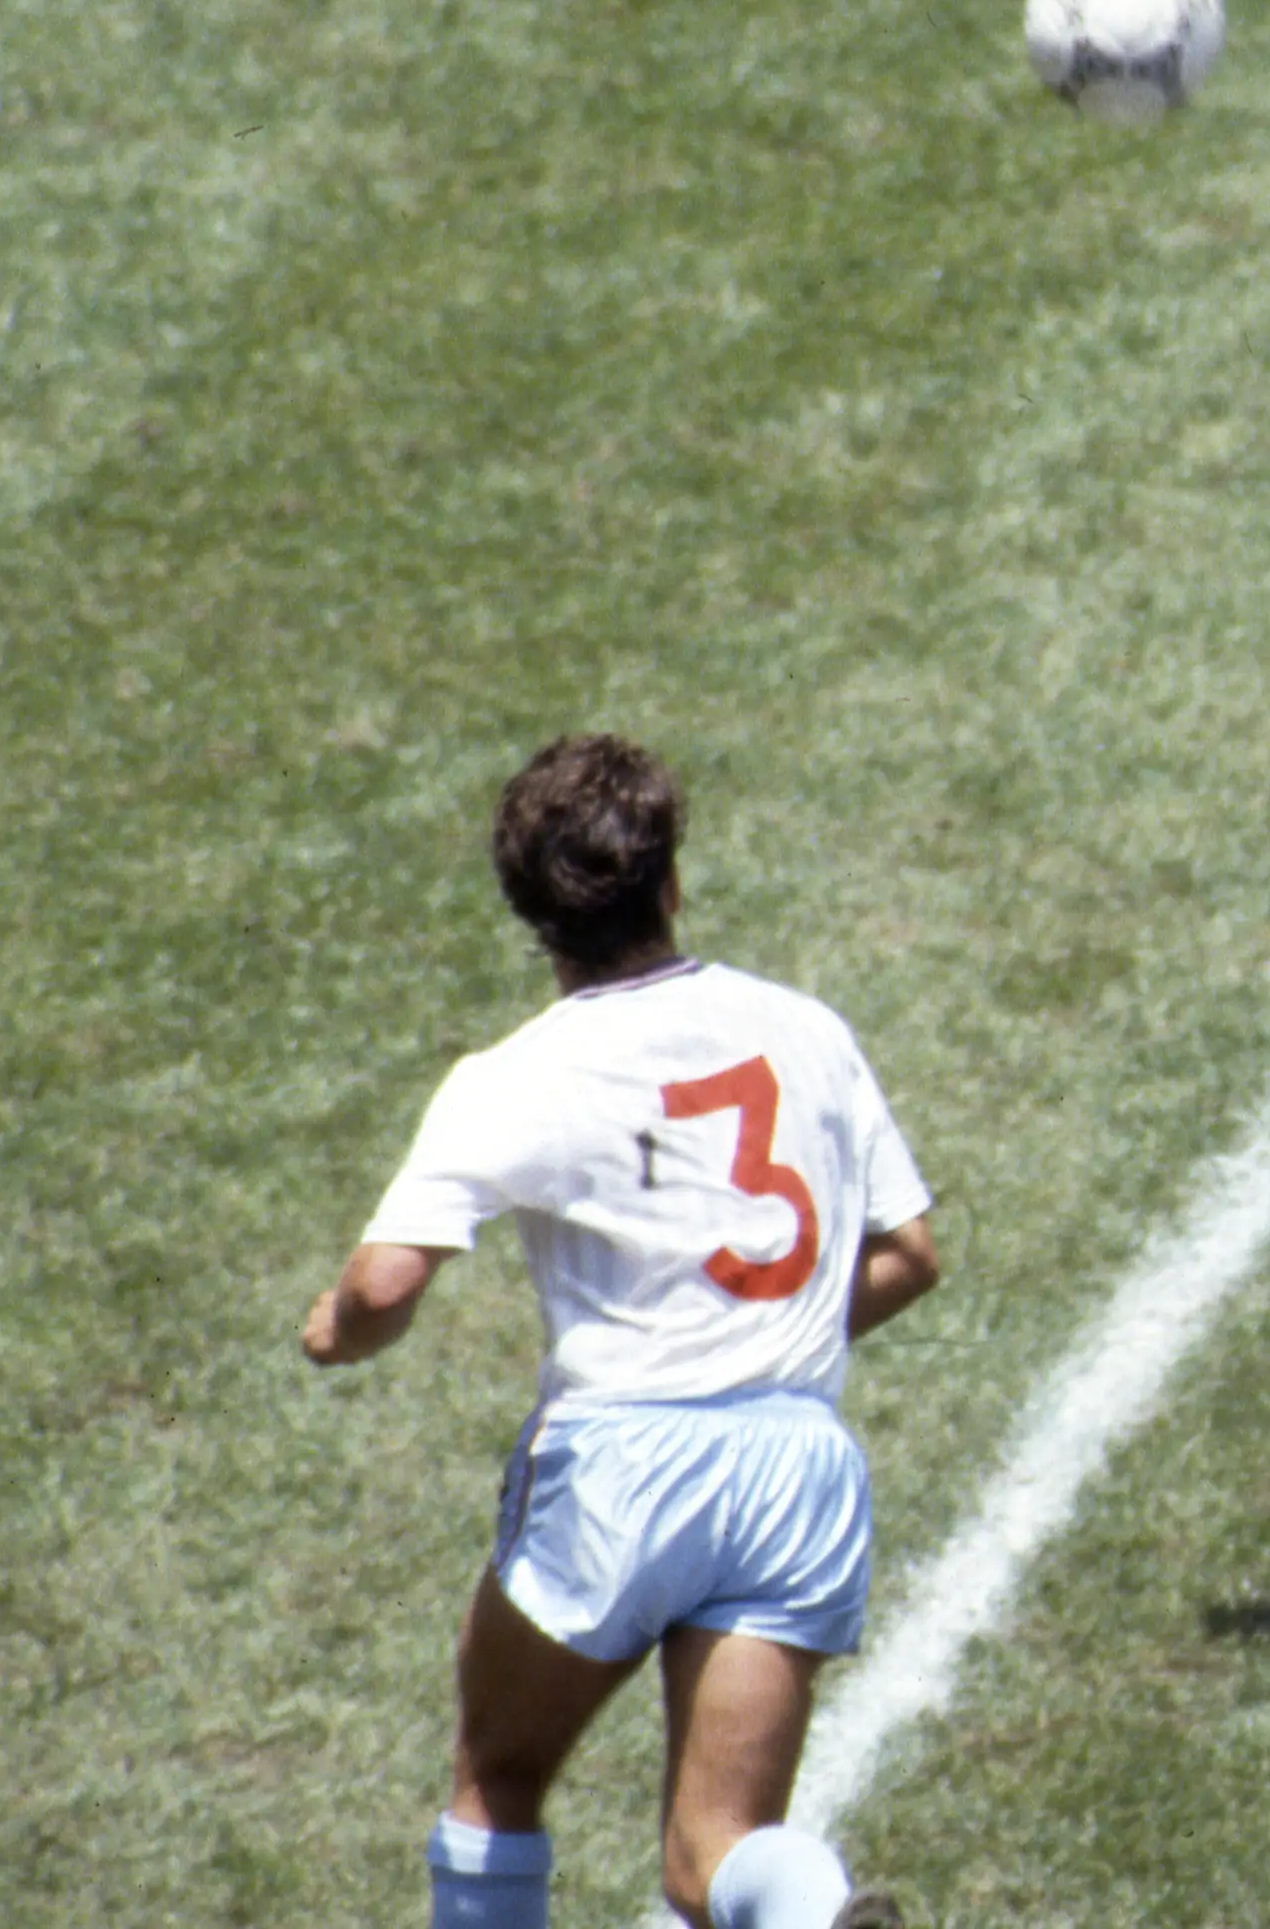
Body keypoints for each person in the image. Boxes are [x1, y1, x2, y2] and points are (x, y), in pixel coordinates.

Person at [303, 735, 935, 1929]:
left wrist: (332, 1329)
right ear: (671, 880)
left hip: (622, 1471)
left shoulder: (519, 1075)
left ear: (533, 921)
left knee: (497, 1778)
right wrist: (772, 1336)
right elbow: (911, 1255)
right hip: (794, 1467)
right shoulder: (806, 1028)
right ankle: (816, 1914)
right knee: (713, 1859)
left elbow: (383, 1288)